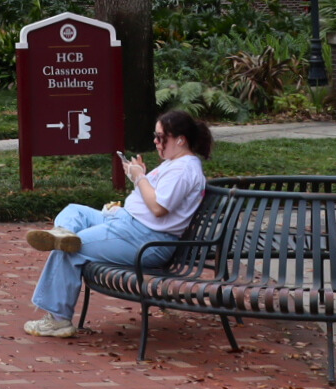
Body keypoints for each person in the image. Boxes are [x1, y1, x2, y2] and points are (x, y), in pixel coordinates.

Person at [20, 109, 213, 338]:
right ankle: (62, 232)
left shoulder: (184, 169)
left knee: (71, 249)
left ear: (180, 140)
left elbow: (159, 208)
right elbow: (155, 197)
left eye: (161, 137)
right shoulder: (175, 163)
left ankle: (59, 320)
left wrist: (139, 177)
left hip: (145, 238)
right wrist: (138, 176)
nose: (155, 141)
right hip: (128, 223)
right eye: (155, 135)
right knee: (74, 212)